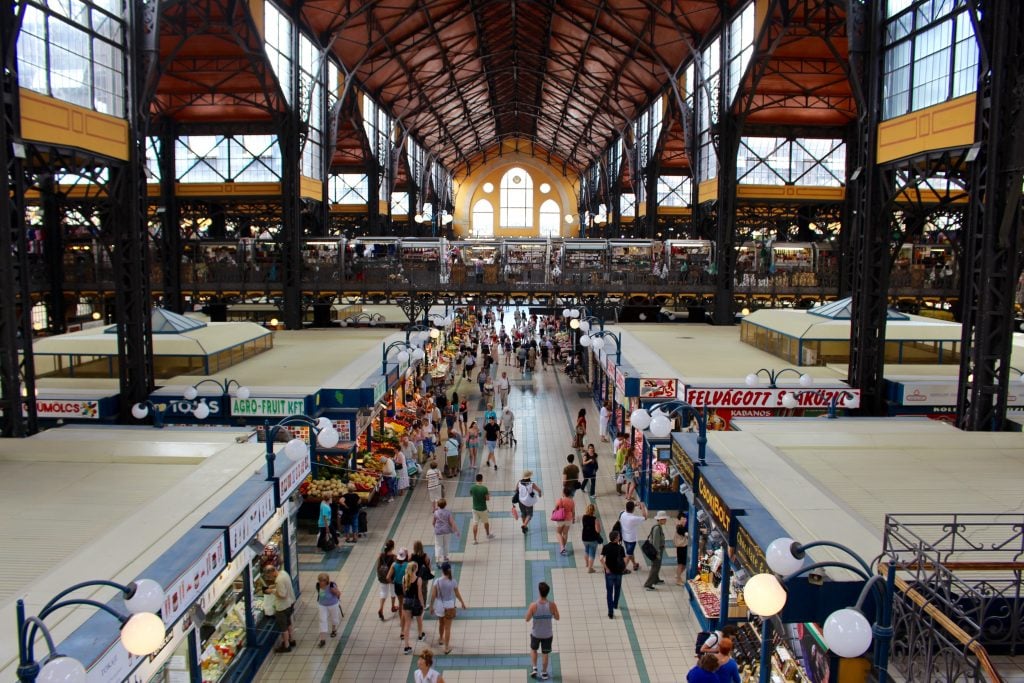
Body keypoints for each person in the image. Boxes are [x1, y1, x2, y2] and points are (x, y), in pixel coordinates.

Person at [428, 562, 467, 655]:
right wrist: (462, 602)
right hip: (449, 605)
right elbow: (457, 593)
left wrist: (431, 606)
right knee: (448, 628)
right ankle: (446, 648)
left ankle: (441, 639)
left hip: (440, 605)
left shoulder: (437, 581)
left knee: (441, 624)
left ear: (442, 570)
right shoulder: (453, 581)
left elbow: (433, 595)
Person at [525, 582, 560, 680]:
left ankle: (535, 668)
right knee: (545, 653)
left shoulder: (533, 605)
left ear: (539, 592)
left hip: (536, 633)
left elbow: (527, 619)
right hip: (547, 634)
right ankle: (544, 673)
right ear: (547, 593)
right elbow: (557, 617)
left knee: (534, 649)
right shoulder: (552, 605)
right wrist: (551, 614)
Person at [263, 564, 296, 652]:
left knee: (283, 628)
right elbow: (285, 585)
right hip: (290, 603)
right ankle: (292, 640)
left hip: (282, 607)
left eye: (269, 576)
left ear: (272, 572)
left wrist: (272, 591)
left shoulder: (278, 580)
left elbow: (282, 595)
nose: (270, 578)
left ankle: (286, 645)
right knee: (289, 623)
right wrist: (274, 586)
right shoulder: (283, 573)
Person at [600, 531, 627, 619]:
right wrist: (623, 568)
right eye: (618, 536)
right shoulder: (621, 548)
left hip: (609, 573)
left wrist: (606, 568)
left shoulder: (606, 547)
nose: (619, 537)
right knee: (618, 589)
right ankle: (615, 604)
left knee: (609, 592)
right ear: (616, 538)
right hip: (619, 572)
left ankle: (610, 612)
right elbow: (625, 560)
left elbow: (601, 559)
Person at [399, 561, 424, 654]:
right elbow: (420, 594)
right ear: (416, 569)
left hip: (406, 602)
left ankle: (406, 646)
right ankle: (420, 635)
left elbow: (403, 591)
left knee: (407, 624)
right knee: (419, 619)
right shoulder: (418, 579)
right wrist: (422, 603)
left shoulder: (404, 578)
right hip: (416, 602)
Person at [619, 500, 648, 572]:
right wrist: (643, 507)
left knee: (630, 552)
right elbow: (645, 517)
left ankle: (634, 564)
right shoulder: (633, 518)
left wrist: (635, 504)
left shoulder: (622, 514)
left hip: (624, 537)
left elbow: (628, 507)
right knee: (628, 554)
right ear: (633, 509)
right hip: (631, 539)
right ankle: (622, 569)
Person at [315, 572, 342, 647]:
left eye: (322, 581)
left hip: (333, 604)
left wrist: (335, 592)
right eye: (320, 580)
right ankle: (322, 639)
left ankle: (334, 630)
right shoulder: (318, 585)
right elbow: (321, 594)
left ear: (326, 581)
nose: (321, 582)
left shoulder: (332, 585)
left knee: (334, 618)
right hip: (322, 605)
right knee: (322, 620)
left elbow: (339, 594)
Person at [644, 510, 668, 590]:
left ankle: (656, 579)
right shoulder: (657, 528)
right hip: (657, 550)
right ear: (660, 520)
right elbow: (656, 542)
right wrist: (657, 553)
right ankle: (648, 584)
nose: (665, 520)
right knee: (655, 566)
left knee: (657, 565)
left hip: (657, 550)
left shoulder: (657, 527)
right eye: (664, 519)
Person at [469, 473, 495, 543]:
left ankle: (474, 539)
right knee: (486, 522)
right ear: (482, 479)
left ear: (476, 479)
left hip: (474, 508)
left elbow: (471, 494)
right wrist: (488, 495)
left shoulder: (472, 487)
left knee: (475, 524)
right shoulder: (484, 488)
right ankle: (487, 534)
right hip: (483, 509)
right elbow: (487, 499)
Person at [376, 540, 398, 620]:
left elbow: (378, 567)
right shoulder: (394, 557)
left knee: (383, 592)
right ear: (392, 547)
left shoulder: (381, 555)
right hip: (391, 577)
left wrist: (380, 575)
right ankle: (393, 606)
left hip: (382, 577)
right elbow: (396, 568)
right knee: (393, 591)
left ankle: (381, 608)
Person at [552, 486, 576, 555]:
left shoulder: (560, 500)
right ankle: (563, 548)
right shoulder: (572, 501)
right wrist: (573, 519)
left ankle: (562, 547)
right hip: (568, 519)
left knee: (558, 532)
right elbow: (573, 511)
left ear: (564, 493)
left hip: (560, 518)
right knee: (565, 533)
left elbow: (555, 508)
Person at [433, 499, 459, 563]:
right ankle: (445, 557)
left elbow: (433, 522)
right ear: (445, 505)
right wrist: (456, 531)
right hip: (447, 531)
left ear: (438, 505)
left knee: (438, 545)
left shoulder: (436, 513)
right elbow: (452, 522)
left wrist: (436, 528)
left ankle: (437, 558)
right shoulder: (448, 513)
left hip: (438, 531)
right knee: (446, 544)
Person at [580, 502, 603, 573]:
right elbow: (598, 530)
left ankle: (587, 564)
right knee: (592, 553)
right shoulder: (595, 519)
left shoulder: (584, 517)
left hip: (584, 538)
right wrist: (598, 525)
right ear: (593, 511)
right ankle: (590, 569)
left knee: (586, 550)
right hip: (592, 539)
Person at [411, 540, 434, 606]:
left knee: (416, 590)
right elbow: (429, 565)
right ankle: (423, 604)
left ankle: (416, 603)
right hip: (423, 576)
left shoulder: (412, 556)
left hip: (415, 576)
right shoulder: (425, 556)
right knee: (424, 590)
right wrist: (429, 572)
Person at [674, 512, 690, 586]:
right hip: (681, 548)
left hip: (684, 547)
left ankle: (678, 575)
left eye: (685, 519)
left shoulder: (682, 527)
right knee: (681, 564)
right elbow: (687, 534)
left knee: (684, 564)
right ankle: (678, 578)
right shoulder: (680, 528)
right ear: (680, 520)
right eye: (683, 519)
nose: (685, 520)